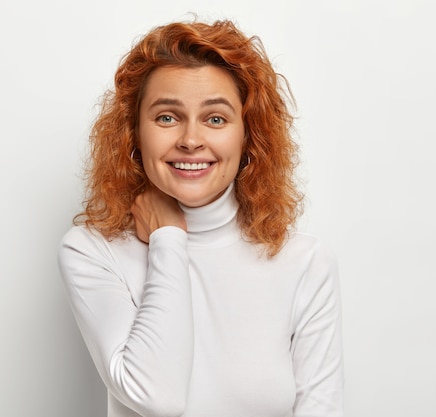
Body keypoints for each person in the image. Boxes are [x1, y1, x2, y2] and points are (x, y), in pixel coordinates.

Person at [58, 19, 343, 417]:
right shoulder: (92, 251)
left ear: (248, 136)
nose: (191, 140)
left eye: (215, 119)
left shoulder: (305, 262)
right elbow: (157, 398)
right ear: (133, 133)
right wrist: (169, 237)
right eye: (167, 117)